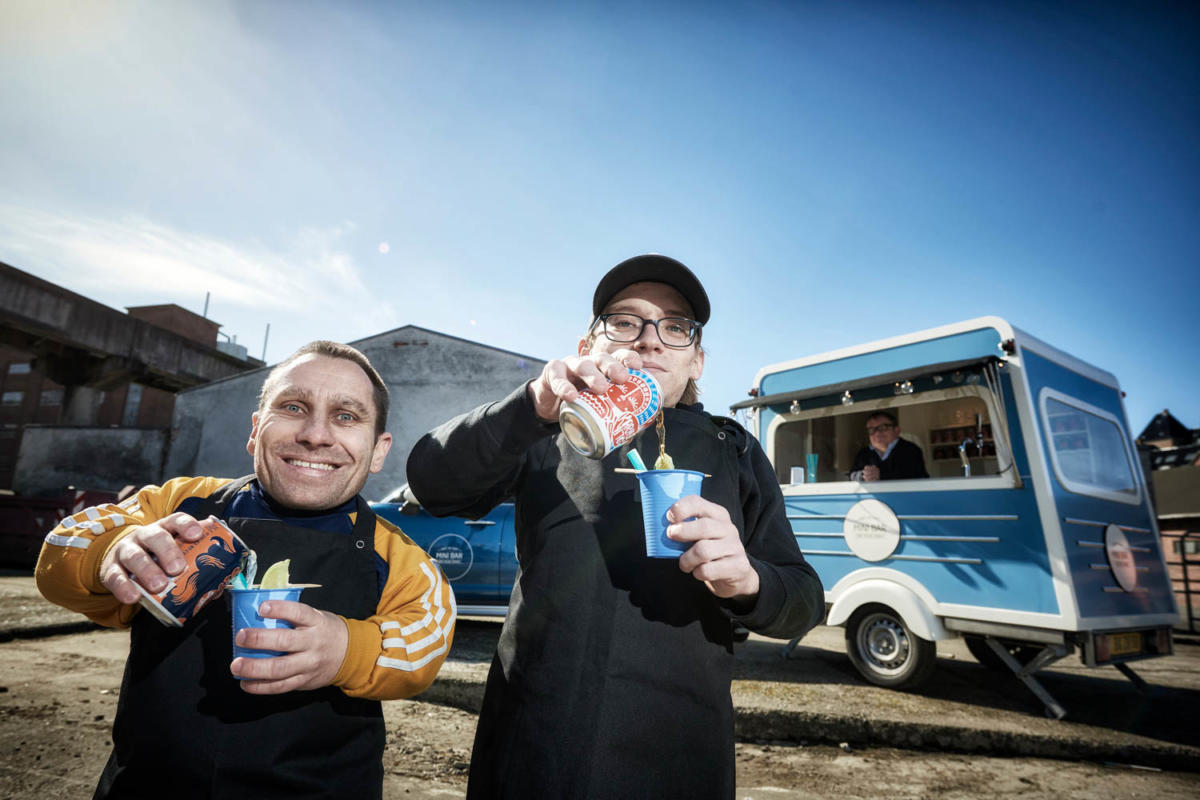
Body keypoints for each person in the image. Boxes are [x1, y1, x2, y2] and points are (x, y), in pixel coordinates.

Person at [407, 254, 824, 799]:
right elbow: (432, 483)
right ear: (588, 347)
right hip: (537, 742)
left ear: (697, 362)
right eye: (625, 322)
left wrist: (749, 581)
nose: (649, 340)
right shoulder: (540, 432)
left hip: (680, 752)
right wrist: (530, 407)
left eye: (675, 327)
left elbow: (803, 599)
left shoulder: (736, 451)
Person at [36, 341, 456, 800]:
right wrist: (111, 551)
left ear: (377, 450)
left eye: (346, 416)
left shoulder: (399, 557)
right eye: (293, 407)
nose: (316, 435)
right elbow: (63, 544)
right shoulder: (179, 504)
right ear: (256, 431)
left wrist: (346, 649)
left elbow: (428, 641)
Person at [849, 410, 929, 481]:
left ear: (897, 430)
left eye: (883, 427)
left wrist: (881, 475)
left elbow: (913, 475)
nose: (877, 433)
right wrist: (863, 475)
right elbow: (852, 475)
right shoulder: (863, 453)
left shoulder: (911, 450)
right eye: (872, 429)